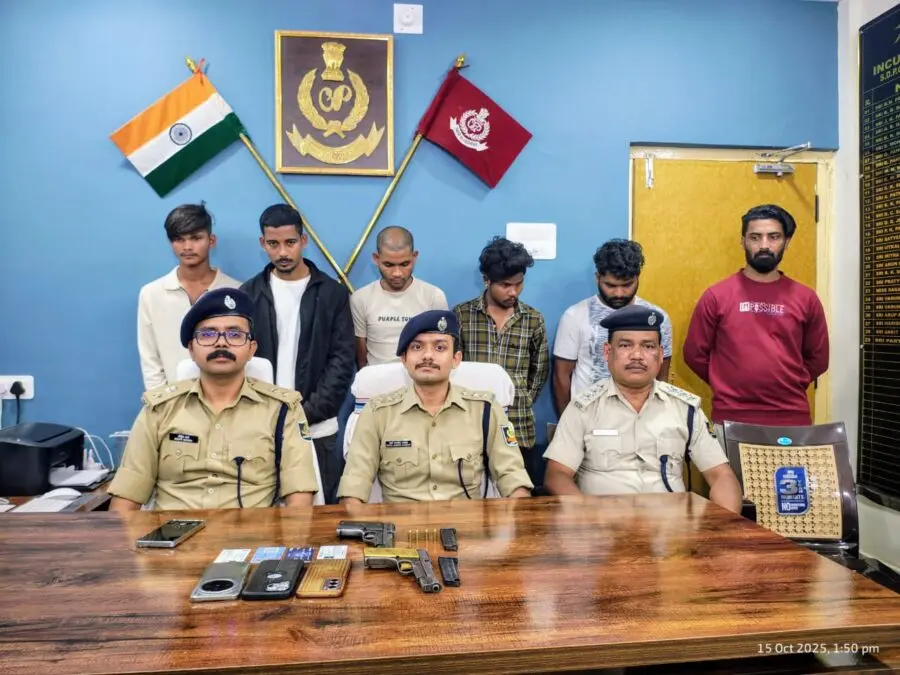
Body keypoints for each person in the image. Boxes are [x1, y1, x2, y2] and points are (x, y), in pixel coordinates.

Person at [109, 288, 319, 512]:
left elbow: (299, 501)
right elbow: (125, 501)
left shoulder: (282, 410)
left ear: (251, 349)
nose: (221, 343)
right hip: (169, 531)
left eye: (234, 334)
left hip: (252, 531)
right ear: (191, 349)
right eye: (208, 335)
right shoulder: (160, 410)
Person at [543, 304, 742, 514]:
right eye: (625, 345)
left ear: (660, 355)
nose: (637, 355)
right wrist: (586, 517)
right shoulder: (583, 407)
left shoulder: (685, 409)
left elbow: (721, 476)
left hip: (671, 528)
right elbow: (557, 476)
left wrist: (725, 526)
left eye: (648, 346)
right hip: (604, 525)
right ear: (608, 352)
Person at [338, 310, 533, 504]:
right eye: (417, 347)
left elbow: (513, 478)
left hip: (466, 521)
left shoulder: (485, 409)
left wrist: (519, 515)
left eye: (440, 348)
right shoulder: (377, 413)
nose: (428, 356)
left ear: (456, 359)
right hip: (400, 522)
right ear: (404, 359)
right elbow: (354, 487)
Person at [240, 204, 355, 504]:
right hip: (261, 427)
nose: (282, 252)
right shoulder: (248, 294)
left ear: (303, 240)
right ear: (262, 243)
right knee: (261, 513)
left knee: (320, 518)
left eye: (290, 242)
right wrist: (268, 417)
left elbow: (342, 362)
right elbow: (241, 362)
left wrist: (304, 414)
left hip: (318, 427)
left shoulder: (332, 294)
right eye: (273, 244)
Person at [683, 204, 829, 430]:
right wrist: (726, 382)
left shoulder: (806, 298)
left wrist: (789, 383)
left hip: (791, 416)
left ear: (787, 242)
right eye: (755, 237)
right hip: (731, 417)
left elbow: (818, 358)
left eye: (774, 237)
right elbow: (694, 354)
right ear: (743, 241)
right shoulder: (717, 296)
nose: (764, 245)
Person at [453, 237, 549, 484]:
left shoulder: (533, 320)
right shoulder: (462, 316)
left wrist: (520, 398)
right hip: (470, 426)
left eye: (519, 284)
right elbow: (453, 369)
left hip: (518, 427)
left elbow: (539, 373)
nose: (513, 292)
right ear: (487, 280)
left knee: (519, 493)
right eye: (505, 285)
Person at [553, 239, 671, 415]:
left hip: (641, 417)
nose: (619, 293)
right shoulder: (575, 316)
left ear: (638, 277)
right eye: (610, 285)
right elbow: (561, 377)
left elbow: (662, 375)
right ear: (598, 278)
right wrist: (568, 421)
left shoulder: (656, 318)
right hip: (589, 417)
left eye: (627, 285)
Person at [137, 203, 240, 390]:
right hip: (171, 401)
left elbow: (243, 355)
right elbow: (150, 361)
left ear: (211, 240)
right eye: (179, 239)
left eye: (196, 238)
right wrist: (162, 402)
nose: (187, 247)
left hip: (227, 399)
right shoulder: (152, 294)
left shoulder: (236, 292)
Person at [350, 226, 448, 368]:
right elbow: (361, 358)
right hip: (376, 379)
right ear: (376, 259)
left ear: (414, 257)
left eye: (404, 264)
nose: (397, 273)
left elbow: (441, 348)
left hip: (420, 378)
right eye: (388, 265)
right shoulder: (360, 298)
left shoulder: (433, 296)